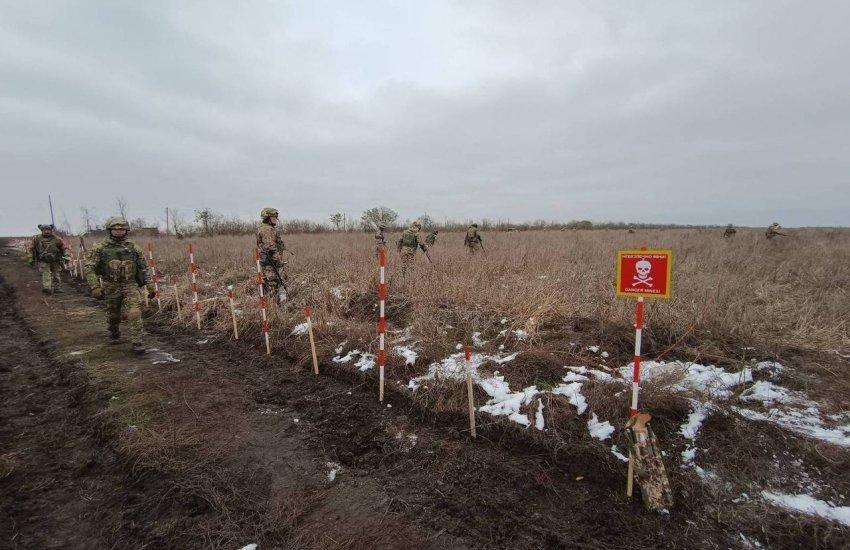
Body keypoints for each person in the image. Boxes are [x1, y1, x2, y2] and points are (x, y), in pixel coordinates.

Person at [84, 217, 153, 353]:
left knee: (134, 312)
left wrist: (149, 285)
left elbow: (144, 267)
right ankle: (114, 331)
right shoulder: (100, 248)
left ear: (126, 230)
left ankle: (137, 342)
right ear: (110, 230)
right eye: (115, 229)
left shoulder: (133, 248)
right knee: (113, 315)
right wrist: (95, 287)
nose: (119, 231)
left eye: (122, 229)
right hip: (111, 285)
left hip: (130, 284)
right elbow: (89, 268)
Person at [257, 207, 290, 303]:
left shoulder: (267, 228)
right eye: (274, 217)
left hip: (269, 261)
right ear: (268, 218)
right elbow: (270, 248)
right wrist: (278, 262)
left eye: (276, 217)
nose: (276, 219)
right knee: (273, 284)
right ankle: (275, 306)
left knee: (270, 283)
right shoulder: (267, 229)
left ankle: (271, 304)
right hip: (270, 262)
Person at [29, 224, 68, 294]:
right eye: (45, 230)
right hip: (43, 259)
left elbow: (63, 248)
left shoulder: (57, 239)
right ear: (41, 230)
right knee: (46, 273)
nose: (47, 232)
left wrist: (66, 256)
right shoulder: (37, 239)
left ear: (51, 230)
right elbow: (31, 249)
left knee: (56, 274)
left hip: (55, 259)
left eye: (48, 230)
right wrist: (31, 258)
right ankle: (47, 288)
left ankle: (57, 288)